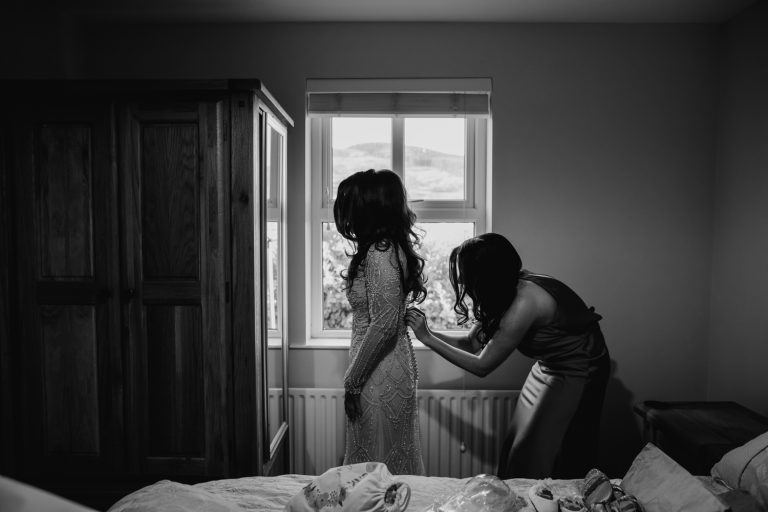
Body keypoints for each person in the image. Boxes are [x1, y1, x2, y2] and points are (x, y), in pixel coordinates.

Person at [405, 232, 609, 479]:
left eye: (467, 275)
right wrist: (429, 333)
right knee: (520, 445)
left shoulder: (524, 302)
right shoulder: (504, 290)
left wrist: (427, 338)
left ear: (485, 276)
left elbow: (483, 366)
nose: (463, 283)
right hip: (548, 367)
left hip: (580, 366)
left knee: (550, 448)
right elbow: (471, 343)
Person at [334, 168, 426, 475]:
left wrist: (352, 381)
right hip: (381, 365)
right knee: (378, 464)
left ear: (370, 208)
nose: (348, 217)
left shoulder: (380, 251)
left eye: (352, 206)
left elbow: (385, 323)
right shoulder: (387, 248)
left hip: (378, 372)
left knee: (375, 469)